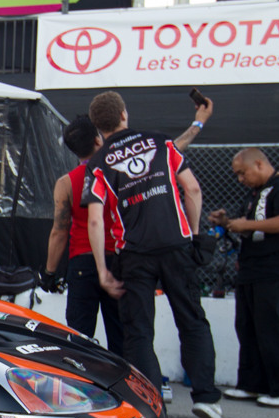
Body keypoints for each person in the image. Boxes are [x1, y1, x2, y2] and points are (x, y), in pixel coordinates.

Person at [83, 91, 227, 418]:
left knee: (138, 332)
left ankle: (151, 407)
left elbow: (95, 219)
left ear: (98, 126)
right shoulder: (161, 143)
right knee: (192, 320)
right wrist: (193, 234)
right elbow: (192, 190)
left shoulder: (98, 162)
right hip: (177, 246)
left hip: (134, 254)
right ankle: (206, 398)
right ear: (124, 114)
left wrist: (103, 270)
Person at [42, 100, 213, 358]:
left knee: (78, 336)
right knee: (124, 335)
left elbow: (59, 231)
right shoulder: (119, 169)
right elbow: (169, 151)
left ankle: (77, 378)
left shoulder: (66, 183)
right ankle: (127, 379)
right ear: (98, 138)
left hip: (82, 264)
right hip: (120, 259)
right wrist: (198, 123)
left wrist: (49, 272)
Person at [208, 149, 279, 408]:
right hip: (251, 270)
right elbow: (248, 225)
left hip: (276, 270)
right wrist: (227, 222)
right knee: (248, 327)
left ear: (259, 164)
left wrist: (247, 225)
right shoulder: (254, 194)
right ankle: (252, 384)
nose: (240, 179)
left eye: (243, 173)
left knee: (273, 328)